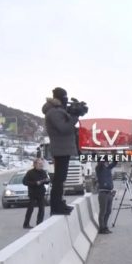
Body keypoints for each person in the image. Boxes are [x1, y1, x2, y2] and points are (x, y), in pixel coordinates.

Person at [42, 87, 78, 216]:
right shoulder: (54, 112)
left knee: (60, 178)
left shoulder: (57, 110)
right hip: (61, 148)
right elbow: (64, 128)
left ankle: (59, 203)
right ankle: (56, 205)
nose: (66, 99)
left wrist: (73, 111)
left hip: (63, 148)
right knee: (59, 179)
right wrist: (74, 116)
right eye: (65, 97)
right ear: (59, 98)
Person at [22, 158, 50, 229]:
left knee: (42, 209)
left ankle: (39, 223)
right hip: (33, 193)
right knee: (30, 209)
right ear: (35, 164)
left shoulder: (43, 172)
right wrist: (35, 183)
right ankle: (26, 224)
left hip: (41, 193)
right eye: (39, 164)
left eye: (42, 164)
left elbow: (46, 181)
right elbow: (24, 182)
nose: (41, 165)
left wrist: (47, 180)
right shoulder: (30, 172)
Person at [95, 159, 118, 234]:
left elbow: (115, 162)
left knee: (108, 211)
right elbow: (100, 162)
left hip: (109, 193)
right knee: (103, 211)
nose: (107, 162)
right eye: (106, 161)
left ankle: (105, 226)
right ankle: (102, 228)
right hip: (103, 193)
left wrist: (115, 153)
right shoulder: (99, 168)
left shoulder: (108, 168)